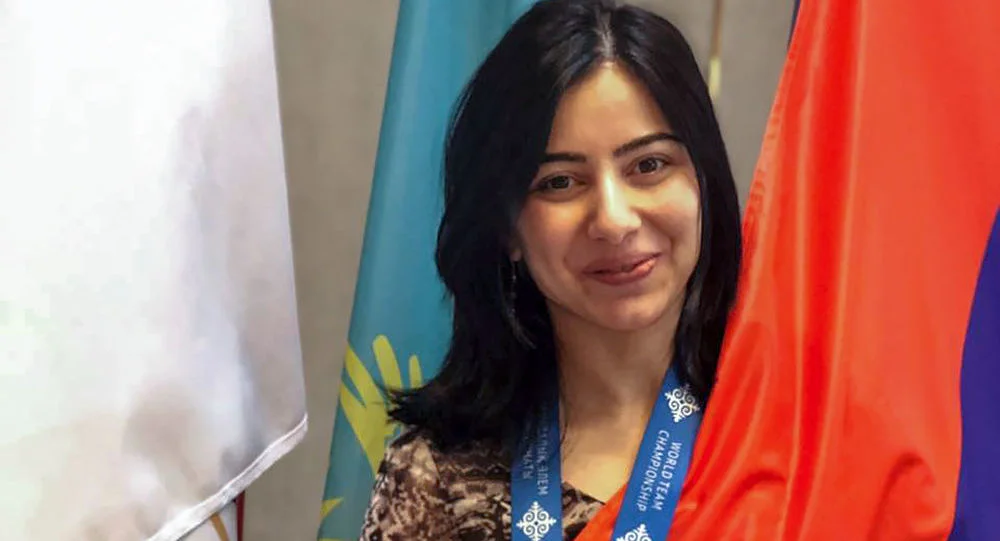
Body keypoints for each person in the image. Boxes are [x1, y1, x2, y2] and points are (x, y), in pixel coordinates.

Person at [359, 0, 741, 538]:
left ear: (704, 182)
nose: (614, 220)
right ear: (507, 227)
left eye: (648, 165)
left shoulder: (788, 436)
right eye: (559, 182)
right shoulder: (433, 479)